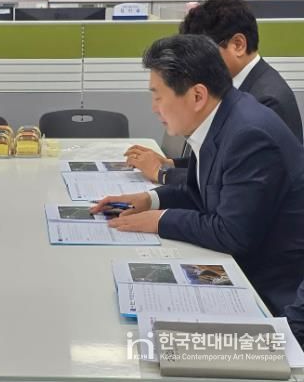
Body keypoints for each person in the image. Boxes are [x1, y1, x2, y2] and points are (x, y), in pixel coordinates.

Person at [91, 34, 304, 316]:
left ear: (197, 96)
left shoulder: (248, 134)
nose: (154, 107)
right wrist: (149, 200)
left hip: (270, 294)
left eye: (158, 95)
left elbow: (232, 233)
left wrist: (159, 220)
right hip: (241, 268)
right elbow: (200, 192)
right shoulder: (221, 118)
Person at [126, 0, 303, 185]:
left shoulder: (266, 101)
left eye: (204, 52)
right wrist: (170, 163)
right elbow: (220, 161)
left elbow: (240, 179)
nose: (195, 65)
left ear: (238, 45)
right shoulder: (239, 86)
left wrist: (161, 173)